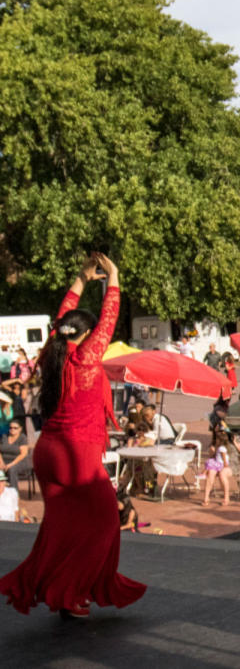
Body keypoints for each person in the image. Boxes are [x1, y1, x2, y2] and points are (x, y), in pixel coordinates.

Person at [0, 253, 146, 618]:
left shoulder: (55, 351)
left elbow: (63, 316)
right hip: (75, 455)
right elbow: (108, 319)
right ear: (86, 335)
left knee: (61, 528)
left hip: (48, 452)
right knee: (105, 524)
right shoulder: (84, 359)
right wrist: (113, 277)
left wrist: (81, 279)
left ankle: (56, 589)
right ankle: (71, 591)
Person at [201, 431, 234, 507]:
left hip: (224, 465)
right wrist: (212, 452)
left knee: (222, 474)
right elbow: (213, 457)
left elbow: (224, 458)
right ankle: (206, 497)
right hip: (217, 464)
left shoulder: (224, 448)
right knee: (211, 473)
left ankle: (226, 497)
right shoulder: (216, 447)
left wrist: (225, 464)